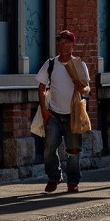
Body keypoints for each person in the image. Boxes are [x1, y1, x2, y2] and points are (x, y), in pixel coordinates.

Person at [37, 30, 91, 193]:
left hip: (73, 114)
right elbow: (40, 87)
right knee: (49, 148)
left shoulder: (79, 64)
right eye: (60, 42)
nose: (63, 45)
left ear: (72, 45)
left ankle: (73, 181)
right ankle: (54, 176)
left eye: (67, 42)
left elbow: (87, 89)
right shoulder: (51, 64)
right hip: (53, 113)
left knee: (73, 151)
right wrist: (44, 111)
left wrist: (82, 88)